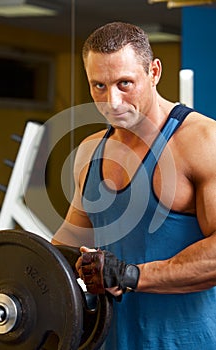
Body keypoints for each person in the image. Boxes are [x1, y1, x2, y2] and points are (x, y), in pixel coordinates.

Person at [52, 21, 216, 349]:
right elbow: (65, 249)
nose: (112, 101)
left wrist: (131, 276)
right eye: (98, 86)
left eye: (124, 83)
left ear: (154, 72)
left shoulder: (202, 141)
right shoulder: (90, 151)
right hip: (110, 341)